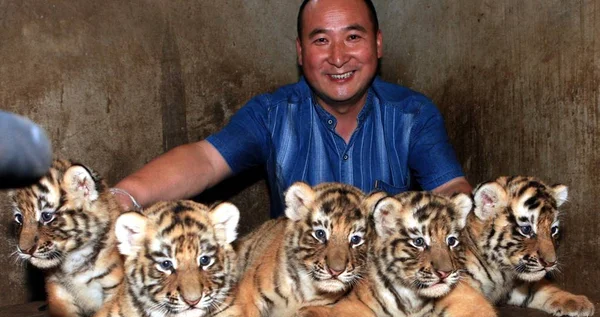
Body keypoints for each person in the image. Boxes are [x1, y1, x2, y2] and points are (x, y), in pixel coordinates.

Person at [113, 0, 472, 216]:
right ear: (300, 52)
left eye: (353, 37)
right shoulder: (272, 114)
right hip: (297, 293)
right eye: (321, 40)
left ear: (377, 44)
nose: (337, 57)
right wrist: (124, 197)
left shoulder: (412, 114)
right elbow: (205, 160)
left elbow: (451, 187)